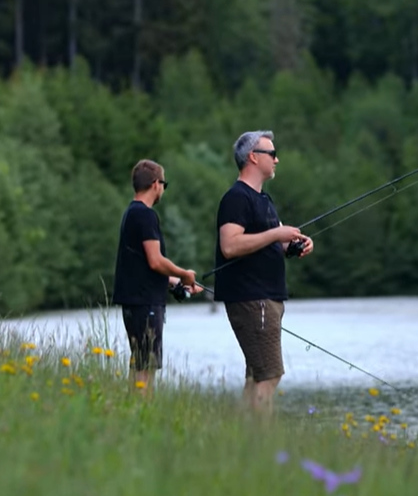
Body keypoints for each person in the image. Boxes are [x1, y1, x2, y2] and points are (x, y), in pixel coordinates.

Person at [213, 130, 313, 415]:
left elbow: (278, 241)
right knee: (270, 375)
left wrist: (297, 243)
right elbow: (230, 246)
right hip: (252, 298)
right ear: (253, 157)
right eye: (272, 154)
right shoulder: (236, 198)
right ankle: (260, 441)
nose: (277, 160)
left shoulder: (264, 200)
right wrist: (275, 234)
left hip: (268, 298)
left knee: (256, 375)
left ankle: (244, 440)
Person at [112, 159, 200, 393]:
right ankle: (142, 413)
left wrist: (175, 282)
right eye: (164, 184)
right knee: (146, 366)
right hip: (145, 302)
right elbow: (155, 260)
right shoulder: (146, 215)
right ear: (155, 184)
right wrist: (185, 274)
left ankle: (135, 412)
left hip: (135, 299)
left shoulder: (130, 213)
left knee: (140, 362)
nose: (163, 189)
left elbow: (141, 264)